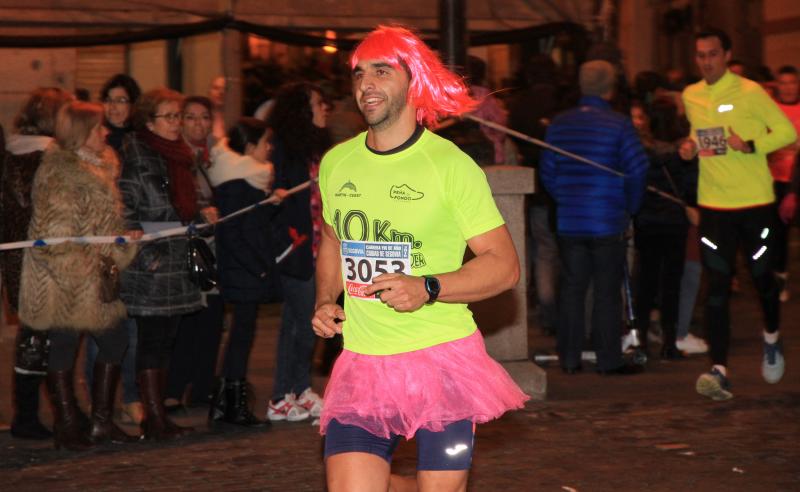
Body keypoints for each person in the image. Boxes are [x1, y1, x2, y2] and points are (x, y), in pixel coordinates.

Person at [312, 25, 527, 491]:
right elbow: (331, 240)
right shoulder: (337, 163)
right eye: (359, 74)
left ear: (414, 82)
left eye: (382, 72)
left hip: (443, 366)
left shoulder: (449, 165)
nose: (366, 85)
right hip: (362, 365)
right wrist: (325, 300)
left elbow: (504, 265)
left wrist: (427, 286)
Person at [680, 28, 797, 400]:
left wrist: (750, 144)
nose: (706, 61)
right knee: (716, 287)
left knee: (762, 280)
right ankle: (718, 369)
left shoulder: (750, 91)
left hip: (755, 205)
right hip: (714, 207)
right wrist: (689, 147)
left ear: (726, 54)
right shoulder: (691, 94)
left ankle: (772, 337)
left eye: (712, 54)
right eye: (700, 55)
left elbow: (786, 132)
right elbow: (699, 136)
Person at [18, 101, 139, 450]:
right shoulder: (60, 173)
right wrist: (85, 268)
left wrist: (121, 243)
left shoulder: (103, 166)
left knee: (115, 340)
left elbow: (103, 228)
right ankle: (67, 423)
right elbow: (53, 238)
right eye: (98, 127)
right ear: (81, 133)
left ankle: (100, 422)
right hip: (64, 281)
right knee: (63, 349)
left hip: (96, 278)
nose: (105, 133)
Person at [540, 60, 649, 375]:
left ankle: (570, 358)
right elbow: (638, 169)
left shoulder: (559, 124)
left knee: (572, 289)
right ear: (610, 88)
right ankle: (608, 360)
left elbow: (547, 170)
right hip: (607, 220)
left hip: (570, 221)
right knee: (606, 290)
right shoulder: (619, 124)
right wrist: (630, 205)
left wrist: (566, 198)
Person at [118, 88, 215, 439]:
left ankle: (157, 415)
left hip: (176, 258)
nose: (177, 123)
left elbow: (180, 208)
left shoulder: (178, 156)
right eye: (169, 116)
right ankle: (153, 417)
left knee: (166, 341)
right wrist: (148, 253)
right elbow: (126, 209)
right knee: (151, 341)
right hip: (154, 263)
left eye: (178, 116)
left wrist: (200, 216)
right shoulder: (139, 155)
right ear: (149, 121)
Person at [0, 87, 73, 440]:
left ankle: (43, 411)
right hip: (37, 258)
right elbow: (40, 208)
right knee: (39, 338)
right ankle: (33, 415)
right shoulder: (42, 158)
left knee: (39, 336)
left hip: (23, 256)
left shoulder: (16, 153)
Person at [204, 117, 278, 428]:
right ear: (250, 148)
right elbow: (235, 232)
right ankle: (231, 405)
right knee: (241, 336)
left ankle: (229, 402)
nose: (269, 149)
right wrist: (258, 268)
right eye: (265, 143)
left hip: (245, 268)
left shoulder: (245, 181)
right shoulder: (238, 185)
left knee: (242, 335)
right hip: (243, 270)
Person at [265, 82, 331, 423]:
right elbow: (273, 195)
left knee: (297, 322)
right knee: (304, 323)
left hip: (319, 247)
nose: (325, 110)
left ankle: (290, 393)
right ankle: (290, 391)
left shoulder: (316, 149)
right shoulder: (284, 150)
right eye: (318, 103)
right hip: (297, 248)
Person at [85, 73, 144, 426]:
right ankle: (100, 402)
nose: (115, 108)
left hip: (129, 246)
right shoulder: (95, 150)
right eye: (109, 99)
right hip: (101, 251)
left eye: (121, 100)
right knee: (101, 329)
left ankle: (129, 396)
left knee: (129, 330)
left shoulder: (135, 144)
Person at [163, 96, 226, 413]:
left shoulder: (213, 156)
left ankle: (201, 387)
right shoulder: (177, 158)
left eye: (204, 118)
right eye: (191, 117)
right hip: (185, 251)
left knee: (211, 321)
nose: (198, 124)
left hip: (210, 252)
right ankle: (173, 389)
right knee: (185, 323)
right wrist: (202, 215)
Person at [630, 100, 696, 359]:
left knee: (645, 282)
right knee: (672, 284)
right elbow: (691, 186)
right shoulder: (685, 151)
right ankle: (670, 341)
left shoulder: (640, 149)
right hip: (675, 223)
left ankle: (642, 340)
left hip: (647, 221)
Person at [769, 66, 800, 301]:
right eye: (784, 82)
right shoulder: (770, 109)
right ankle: (778, 278)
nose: (788, 87)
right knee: (777, 233)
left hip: (797, 179)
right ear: (777, 85)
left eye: (792, 82)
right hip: (774, 180)